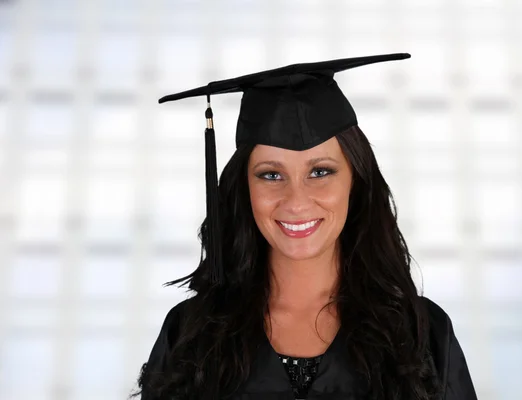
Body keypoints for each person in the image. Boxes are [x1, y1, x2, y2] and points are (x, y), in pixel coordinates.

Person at [131, 53, 478, 400]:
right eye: (271, 174)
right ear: (244, 190)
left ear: (356, 181)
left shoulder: (422, 334)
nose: (296, 201)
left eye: (320, 172)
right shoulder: (192, 333)